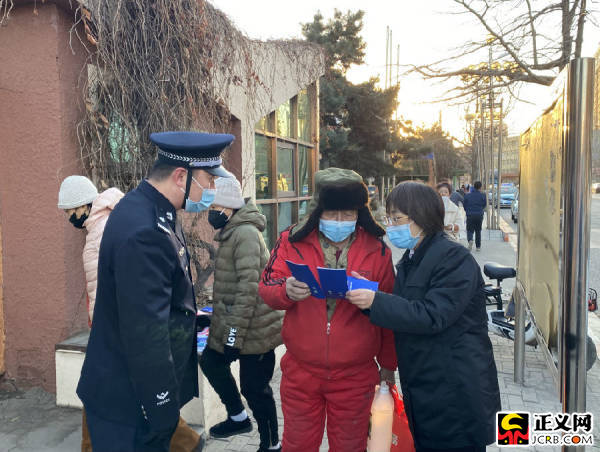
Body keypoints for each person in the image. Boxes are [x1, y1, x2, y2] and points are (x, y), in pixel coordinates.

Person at [77, 131, 235, 452]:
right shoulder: (145, 230)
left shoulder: (150, 209)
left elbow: (156, 296)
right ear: (181, 176)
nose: (212, 189)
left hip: (132, 391)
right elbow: (145, 332)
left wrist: (193, 320)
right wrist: (162, 407)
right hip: (130, 400)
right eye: (209, 179)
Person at [346, 181, 501, 452]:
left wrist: (376, 300)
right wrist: (369, 295)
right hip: (425, 386)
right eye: (388, 218)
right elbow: (407, 307)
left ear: (421, 217)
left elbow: (432, 315)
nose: (390, 226)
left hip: (455, 391)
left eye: (396, 219)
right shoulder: (414, 257)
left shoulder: (453, 258)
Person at [258, 168, 397, 452]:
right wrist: (286, 290)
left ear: (360, 213)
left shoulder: (378, 249)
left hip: (356, 376)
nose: (340, 221)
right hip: (301, 372)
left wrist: (388, 365)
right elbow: (266, 286)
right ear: (317, 211)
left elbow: (390, 313)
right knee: (297, 445)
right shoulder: (291, 240)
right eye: (332, 214)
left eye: (348, 214)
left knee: (350, 447)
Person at [200, 177, 283, 452]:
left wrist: (232, 337)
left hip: (256, 330)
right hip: (237, 324)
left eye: (215, 207)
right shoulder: (231, 232)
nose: (211, 212)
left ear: (229, 206)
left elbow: (249, 290)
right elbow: (232, 286)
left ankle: (271, 444)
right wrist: (214, 319)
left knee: (255, 389)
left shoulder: (245, 233)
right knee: (211, 361)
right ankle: (238, 418)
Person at [58, 176, 124, 452]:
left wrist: (106, 324)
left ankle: (183, 440)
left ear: (84, 205)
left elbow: (118, 280)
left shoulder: (103, 229)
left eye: (70, 211)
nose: (69, 217)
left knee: (92, 388)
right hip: (108, 323)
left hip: (113, 325)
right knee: (119, 391)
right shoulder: (97, 227)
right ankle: (183, 441)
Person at [463, 180, 487, 251]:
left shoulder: (467, 195)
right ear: (480, 187)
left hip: (470, 214)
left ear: (474, 186)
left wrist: (467, 211)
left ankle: (470, 239)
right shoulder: (483, 195)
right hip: (479, 215)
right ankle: (478, 247)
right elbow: (484, 204)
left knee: (469, 229)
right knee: (478, 230)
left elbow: (464, 205)